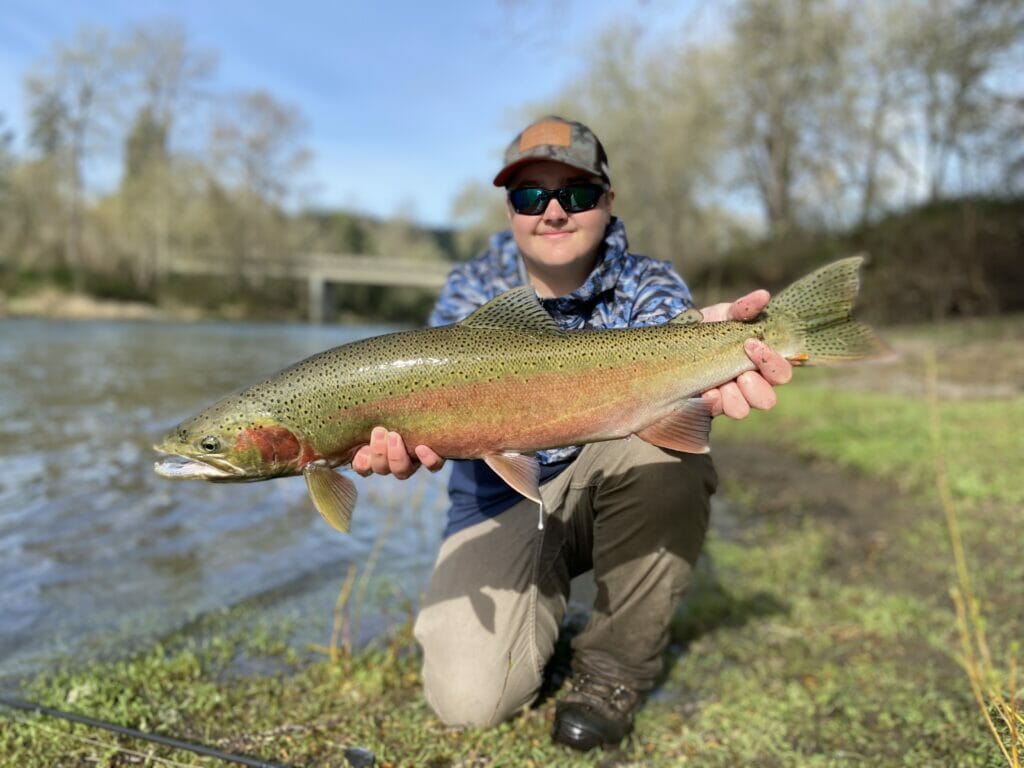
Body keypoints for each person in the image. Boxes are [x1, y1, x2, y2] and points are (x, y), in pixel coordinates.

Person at [351, 116, 792, 751]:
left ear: (607, 201)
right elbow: (423, 420)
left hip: (612, 483)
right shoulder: (471, 288)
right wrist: (398, 441)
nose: (553, 211)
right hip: (502, 501)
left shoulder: (649, 283)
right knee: (468, 704)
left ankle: (612, 670)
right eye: (531, 196)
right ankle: (550, 617)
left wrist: (721, 345)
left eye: (576, 193)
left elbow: (679, 348)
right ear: (510, 208)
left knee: (667, 455)